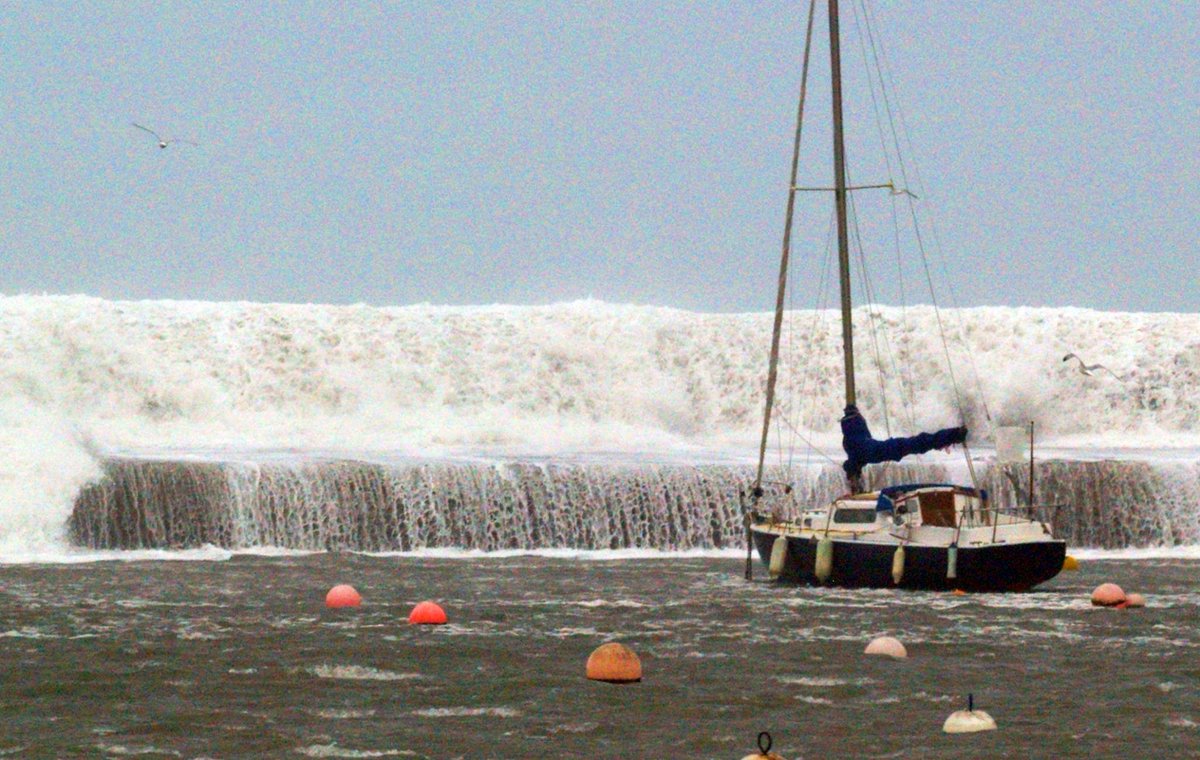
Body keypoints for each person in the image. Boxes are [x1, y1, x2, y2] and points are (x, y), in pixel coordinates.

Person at [840, 404, 968, 493]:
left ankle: (950, 436)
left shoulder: (849, 439)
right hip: (880, 448)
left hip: (877, 449)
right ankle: (952, 435)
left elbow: (854, 458)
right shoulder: (857, 433)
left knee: (917, 443)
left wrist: (851, 470)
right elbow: (861, 452)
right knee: (917, 442)